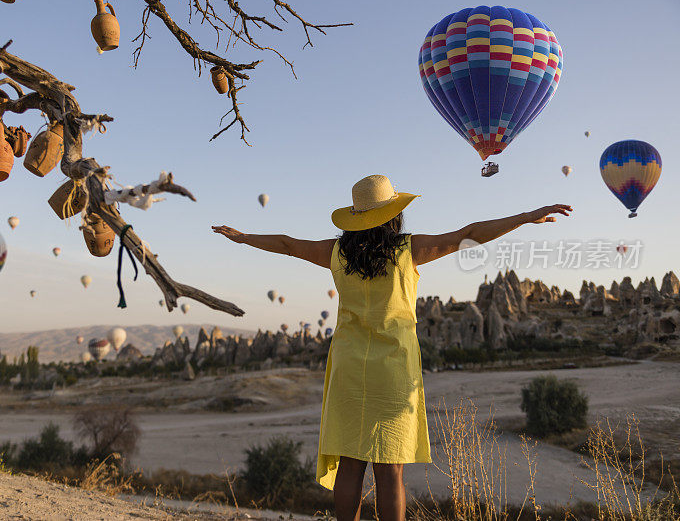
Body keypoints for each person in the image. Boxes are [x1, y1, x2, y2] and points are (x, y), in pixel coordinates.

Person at [213, 174, 572, 521]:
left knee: (351, 462)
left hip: (349, 366)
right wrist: (525, 218)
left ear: (356, 217)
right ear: (393, 215)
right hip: (394, 369)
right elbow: (470, 234)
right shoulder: (409, 250)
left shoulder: (336, 253)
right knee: (390, 469)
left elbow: (289, 244)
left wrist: (244, 237)